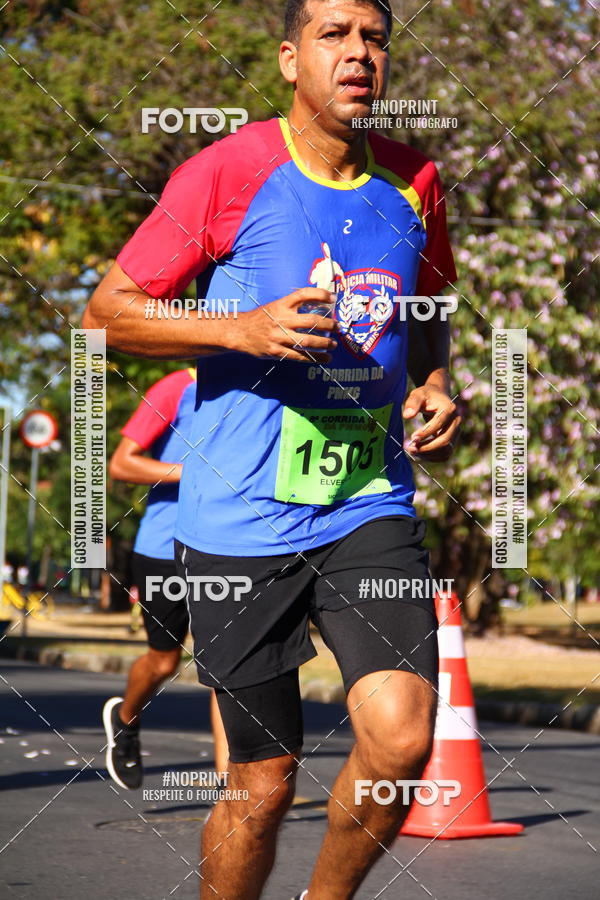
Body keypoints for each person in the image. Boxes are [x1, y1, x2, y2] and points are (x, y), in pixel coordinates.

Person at [84, 0, 461, 894]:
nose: (358, 54)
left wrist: (435, 384)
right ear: (291, 59)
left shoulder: (416, 179)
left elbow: (429, 310)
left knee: (403, 738)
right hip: (240, 517)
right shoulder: (228, 170)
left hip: (366, 500)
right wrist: (240, 328)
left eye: (374, 38)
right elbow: (104, 316)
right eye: (335, 36)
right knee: (260, 786)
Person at [102, 368, 228, 789]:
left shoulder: (263, 388)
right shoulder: (177, 387)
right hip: (163, 550)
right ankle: (125, 719)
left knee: (228, 667)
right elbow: (121, 462)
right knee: (164, 661)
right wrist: (192, 473)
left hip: (231, 549)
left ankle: (231, 791)